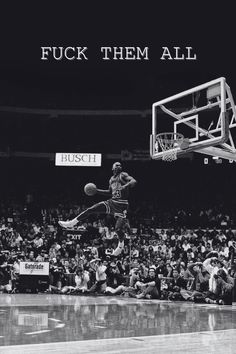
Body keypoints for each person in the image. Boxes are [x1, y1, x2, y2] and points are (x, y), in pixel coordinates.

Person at [59, 162, 137, 256]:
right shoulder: (111, 179)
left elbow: (133, 181)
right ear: (112, 168)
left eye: (120, 165)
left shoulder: (123, 175)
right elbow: (109, 192)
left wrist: (125, 186)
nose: (119, 166)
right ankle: (71, 223)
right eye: (116, 165)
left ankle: (120, 245)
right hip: (112, 202)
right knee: (91, 209)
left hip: (122, 205)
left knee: (118, 229)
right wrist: (96, 191)